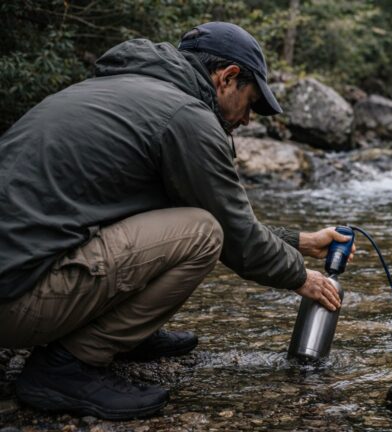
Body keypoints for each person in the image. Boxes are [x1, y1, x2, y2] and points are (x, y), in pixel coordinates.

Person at [0, 22, 350, 420]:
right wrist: (303, 278)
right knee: (201, 235)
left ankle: (123, 337)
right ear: (228, 77)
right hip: (16, 303)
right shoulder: (186, 116)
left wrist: (301, 241)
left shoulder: (118, 91)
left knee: (178, 218)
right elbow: (234, 235)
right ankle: (68, 365)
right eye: (251, 103)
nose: (249, 119)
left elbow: (195, 211)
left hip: (15, 276)